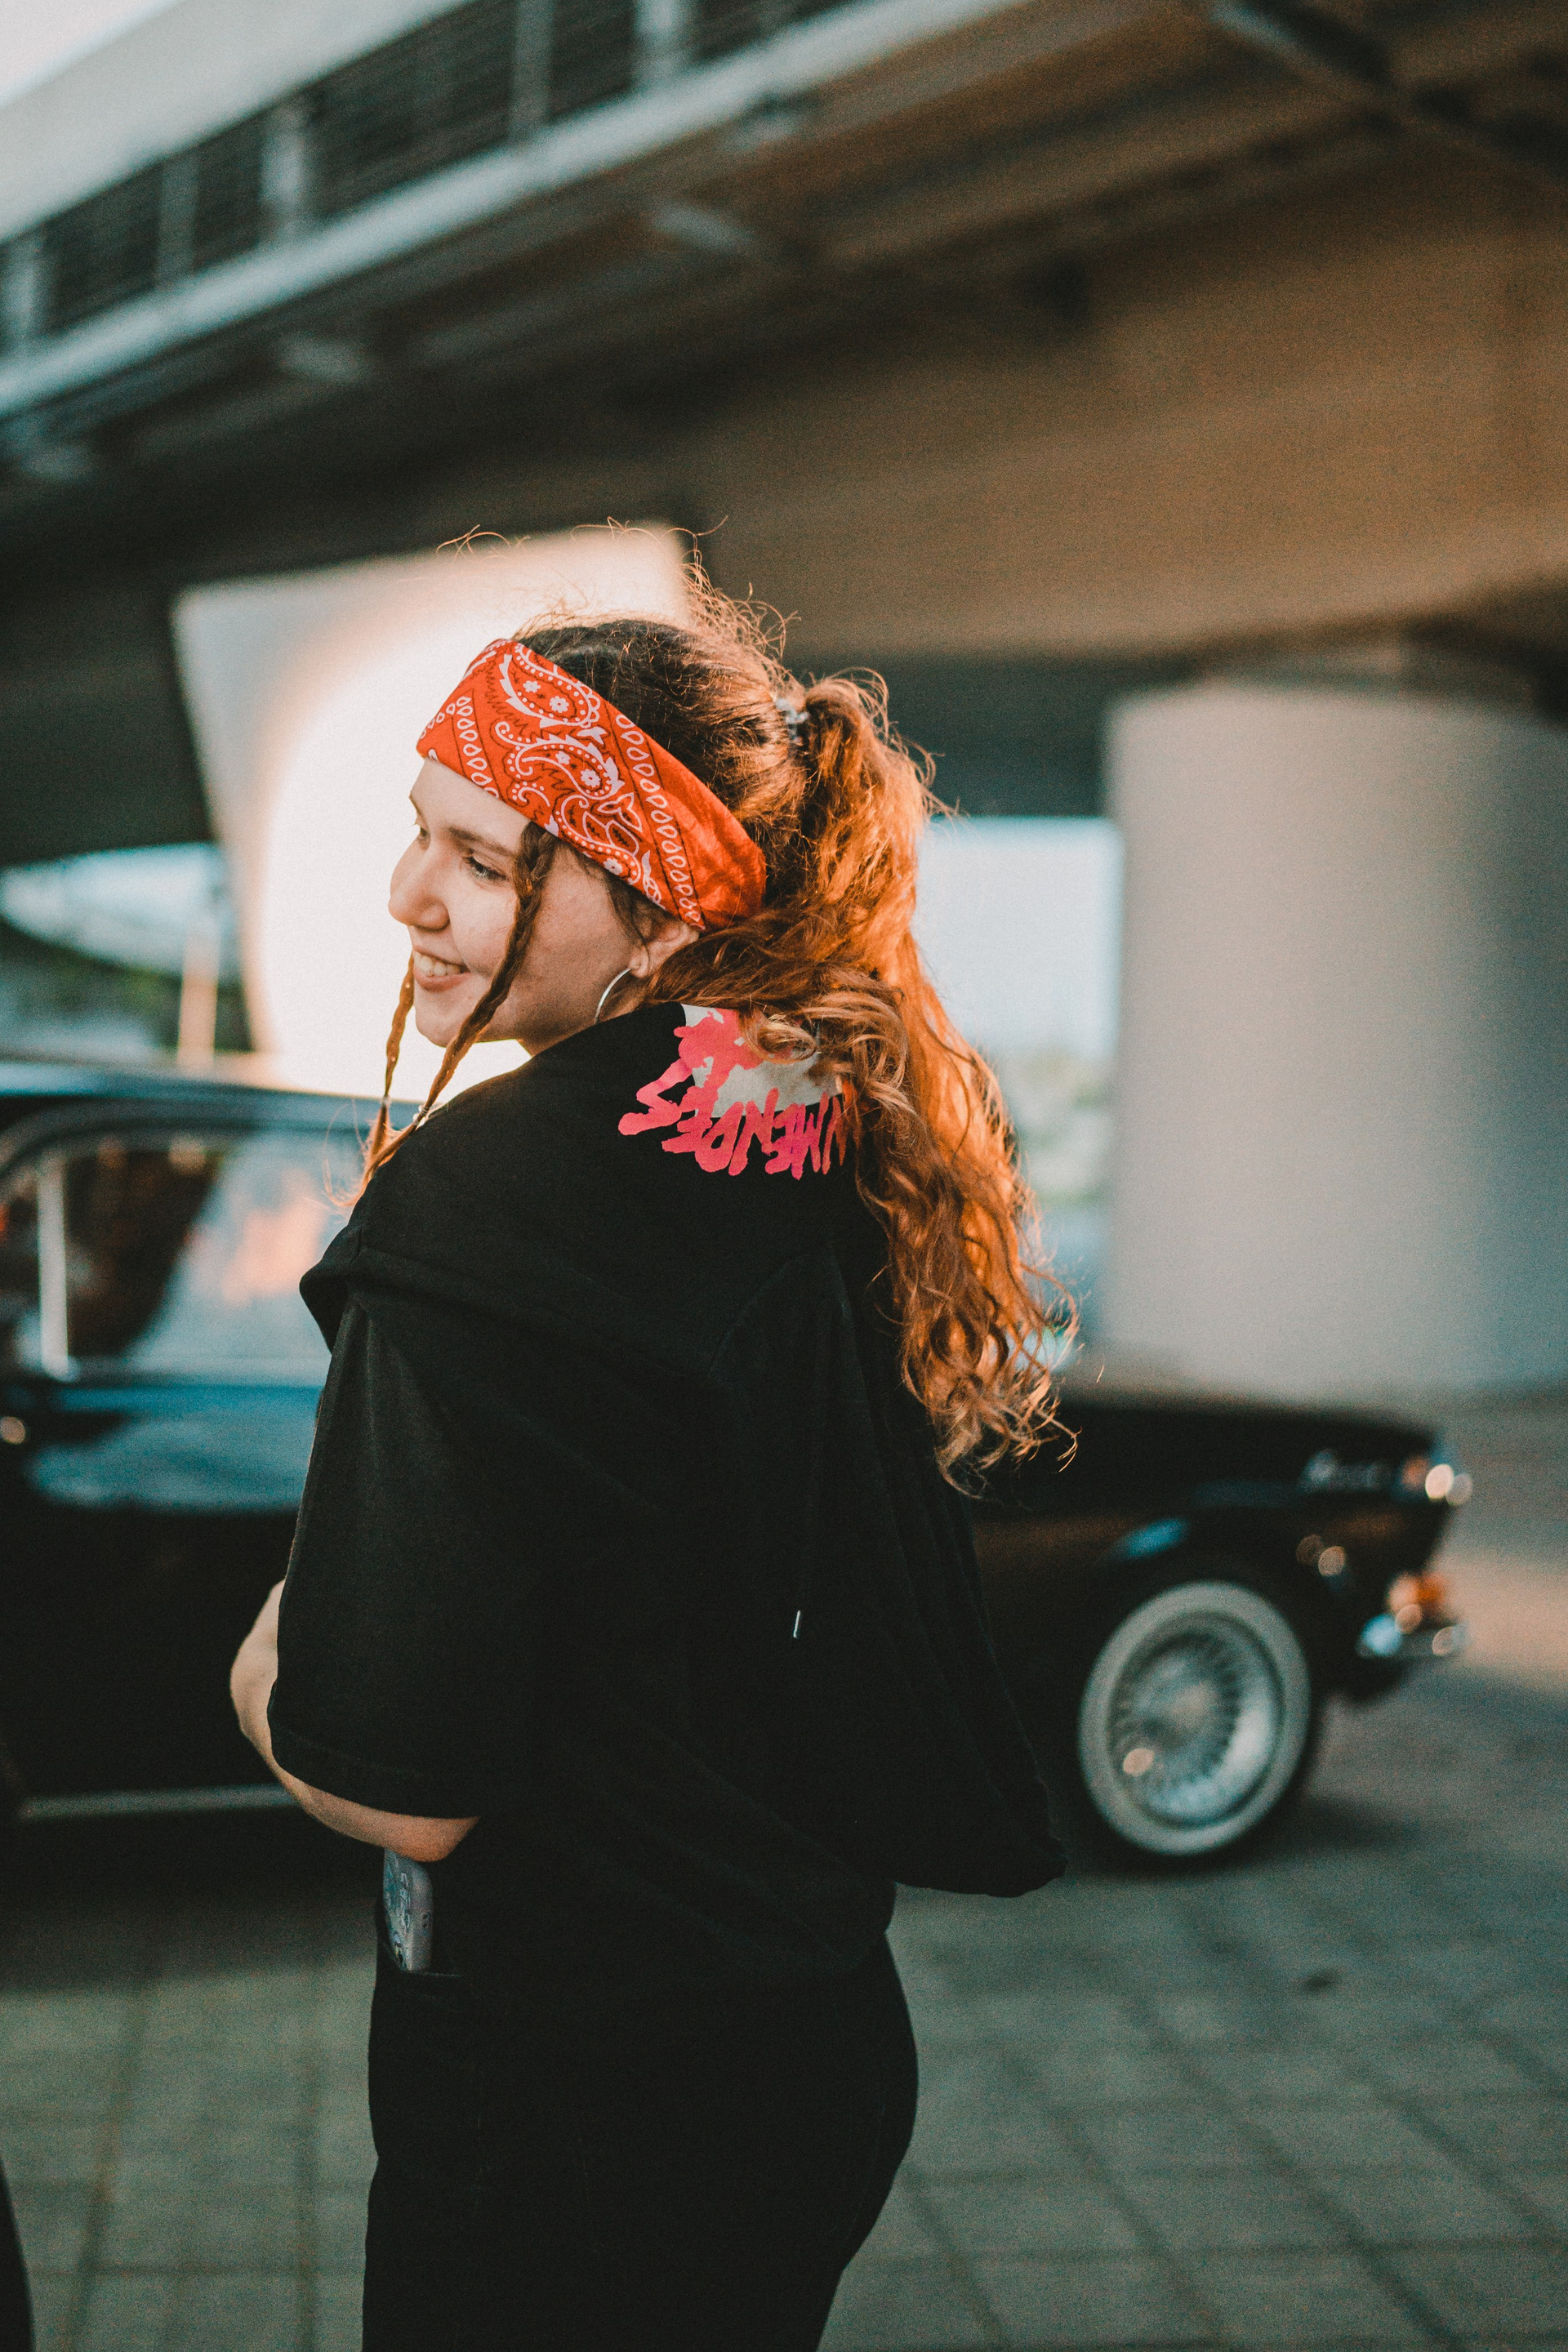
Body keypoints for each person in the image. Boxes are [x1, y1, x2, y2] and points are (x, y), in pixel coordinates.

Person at [230, 590, 1068, 2351]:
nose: (407, 897)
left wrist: (265, 1663)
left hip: (568, 2117)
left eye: (479, 858)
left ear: (659, 893)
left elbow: (403, 1791)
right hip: (805, 2048)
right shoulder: (814, 1115)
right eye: (417, 833)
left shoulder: (490, 1200)